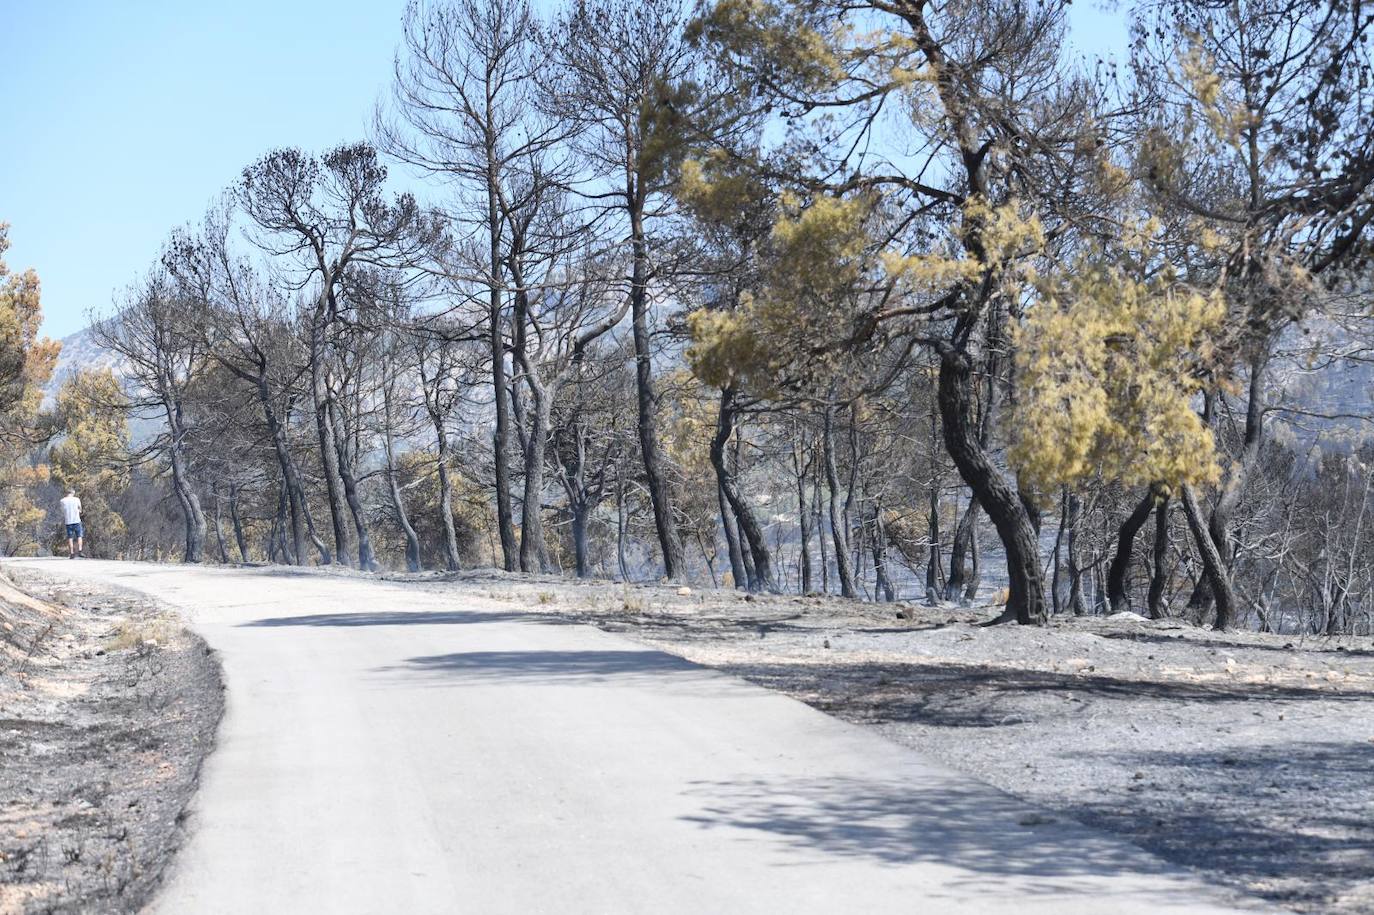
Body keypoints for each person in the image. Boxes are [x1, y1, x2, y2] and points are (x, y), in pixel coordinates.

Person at [60, 489, 84, 558]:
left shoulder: (62, 501)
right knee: (79, 536)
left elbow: (62, 510)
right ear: (73, 493)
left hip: (68, 521)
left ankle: (72, 553)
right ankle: (80, 551)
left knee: (70, 537)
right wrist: (78, 511)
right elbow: (80, 509)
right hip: (76, 520)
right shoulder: (76, 499)